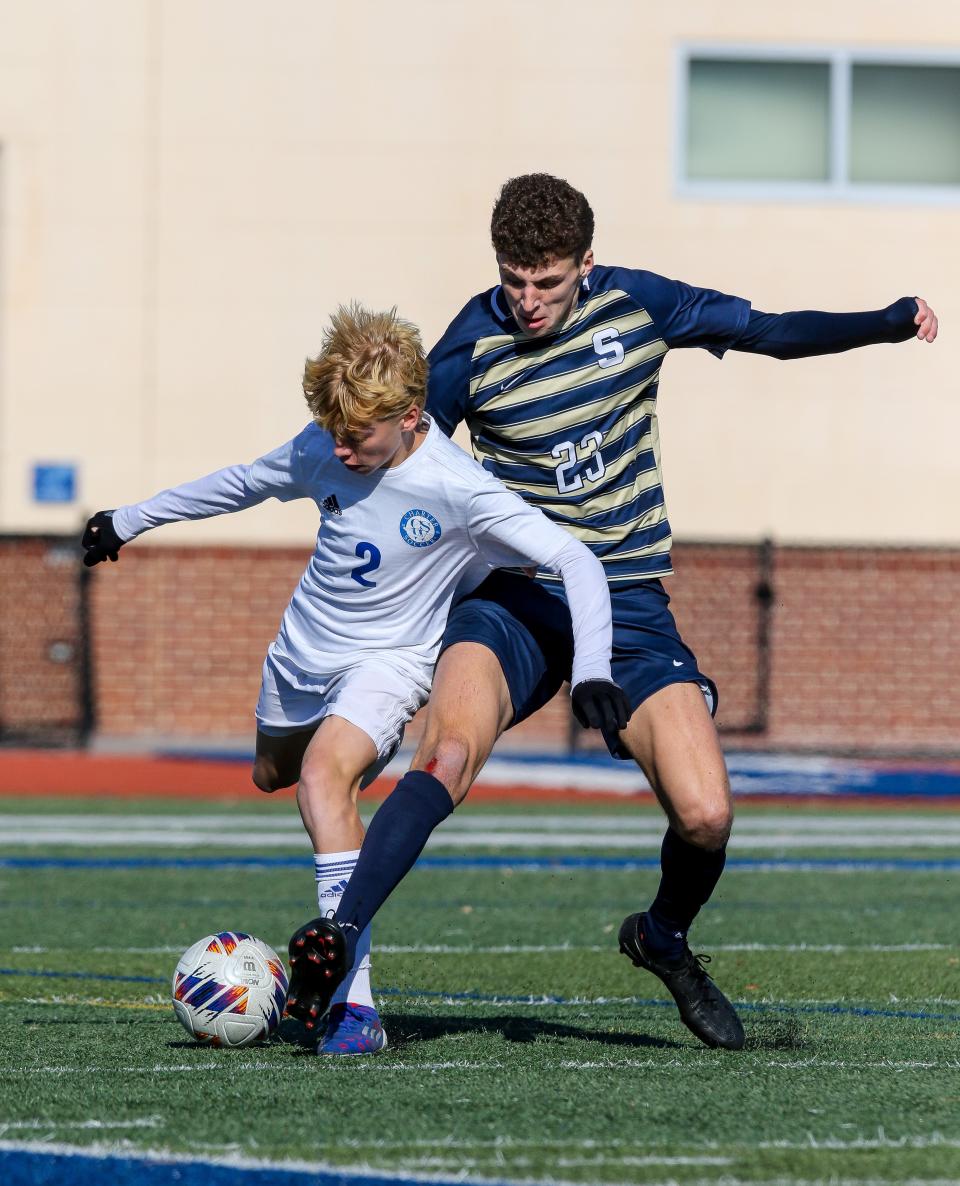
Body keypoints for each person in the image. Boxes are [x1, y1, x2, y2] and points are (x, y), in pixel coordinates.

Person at [286, 174, 938, 1053]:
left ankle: (662, 939)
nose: (527, 301)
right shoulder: (465, 351)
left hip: (627, 602)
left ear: (585, 265)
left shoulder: (641, 304)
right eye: (513, 280)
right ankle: (337, 942)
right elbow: (397, 469)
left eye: (547, 282)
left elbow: (770, 334)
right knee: (448, 751)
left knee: (706, 814)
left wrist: (885, 322)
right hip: (512, 601)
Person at [80, 302, 629, 1056]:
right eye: (333, 433)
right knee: (274, 774)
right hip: (299, 658)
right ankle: (341, 797)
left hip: (388, 666)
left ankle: (354, 1008)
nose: (339, 450)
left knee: (319, 780)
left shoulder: (458, 485)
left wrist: (592, 667)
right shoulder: (327, 444)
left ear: (410, 416)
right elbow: (242, 482)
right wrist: (128, 520)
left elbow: (576, 560)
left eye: (358, 437)